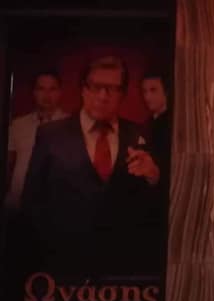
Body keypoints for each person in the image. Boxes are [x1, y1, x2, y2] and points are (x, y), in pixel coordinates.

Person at [20, 56, 161, 263]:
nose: (103, 96)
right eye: (96, 87)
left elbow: (156, 210)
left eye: (112, 89)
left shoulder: (141, 134)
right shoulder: (50, 135)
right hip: (62, 261)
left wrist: (154, 177)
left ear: (122, 94)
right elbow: (31, 202)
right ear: (83, 89)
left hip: (124, 263)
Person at [4, 70, 67, 210]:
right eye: (41, 89)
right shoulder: (18, 125)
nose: (47, 95)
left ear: (60, 92)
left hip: (54, 206)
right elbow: (7, 164)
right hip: (17, 204)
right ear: (34, 92)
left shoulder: (72, 126)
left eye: (52, 89)